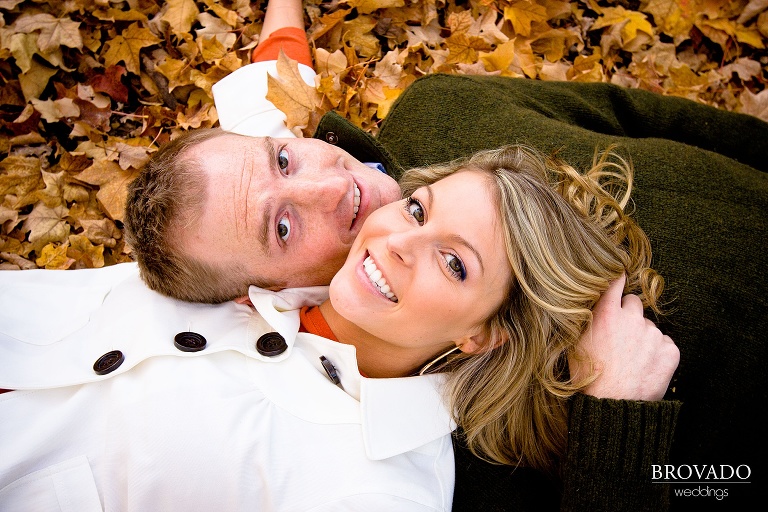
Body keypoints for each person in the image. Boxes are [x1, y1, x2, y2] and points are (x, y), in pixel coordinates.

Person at [0, 143, 674, 511]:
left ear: (484, 335)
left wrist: (617, 418)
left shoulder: (374, 488)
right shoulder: (292, 249)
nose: (398, 240)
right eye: (416, 209)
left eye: (454, 263)